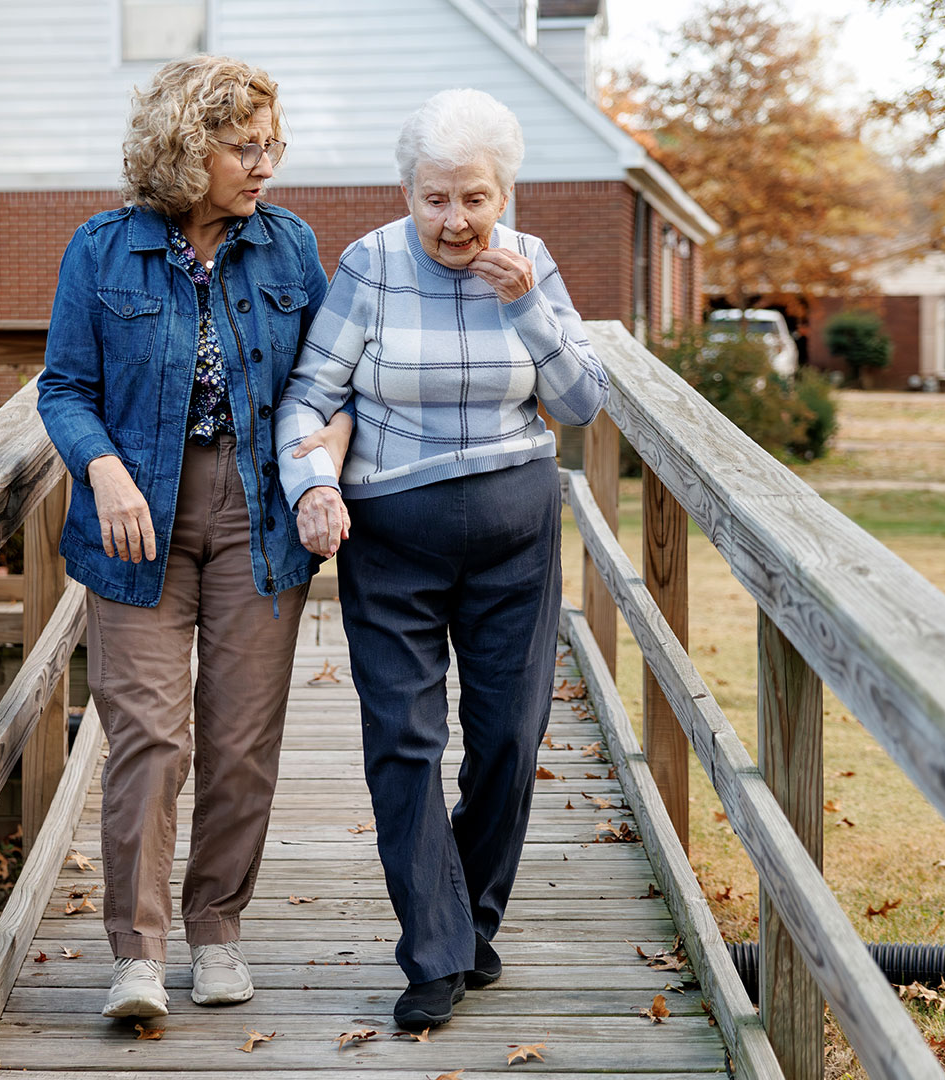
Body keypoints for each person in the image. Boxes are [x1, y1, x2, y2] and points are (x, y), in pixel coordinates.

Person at [273, 88, 607, 1030]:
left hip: (517, 529)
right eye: (435, 200)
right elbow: (306, 396)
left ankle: (471, 917)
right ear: (407, 192)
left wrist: (528, 307)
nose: (455, 222)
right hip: (391, 533)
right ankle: (433, 950)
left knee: (509, 736)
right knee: (406, 743)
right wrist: (315, 488)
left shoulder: (530, 263)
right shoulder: (370, 265)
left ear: (504, 193)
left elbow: (582, 405)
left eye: (474, 199)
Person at [37, 54, 351, 1021]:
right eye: (241, 147)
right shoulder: (101, 250)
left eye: (272, 147)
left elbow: (332, 386)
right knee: (148, 736)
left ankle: (217, 930)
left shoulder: (291, 247)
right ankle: (137, 955)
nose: (264, 166)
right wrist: (103, 466)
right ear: (184, 148)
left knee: (243, 740)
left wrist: (321, 471)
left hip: (259, 519)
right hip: (135, 526)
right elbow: (63, 389)